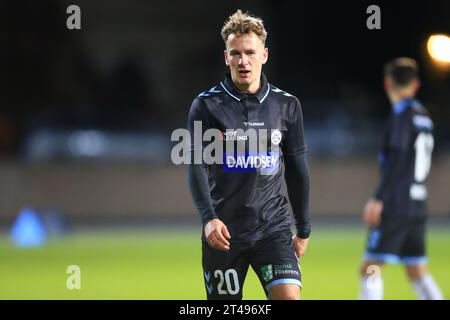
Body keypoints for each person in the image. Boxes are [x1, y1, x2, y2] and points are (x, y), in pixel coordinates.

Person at [187, 10, 310, 300]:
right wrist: (209, 219)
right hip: (224, 234)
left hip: (273, 230)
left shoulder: (287, 105)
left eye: (250, 52)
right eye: (236, 53)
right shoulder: (206, 106)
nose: (243, 61)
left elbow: (297, 168)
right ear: (226, 57)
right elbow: (194, 164)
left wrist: (303, 228)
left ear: (264, 55)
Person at [359, 57, 443, 300]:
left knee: (370, 269)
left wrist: (377, 199)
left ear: (387, 83)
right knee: (417, 271)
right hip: (417, 204)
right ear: (415, 85)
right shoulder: (424, 117)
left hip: (396, 204)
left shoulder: (401, 116)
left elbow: (396, 158)